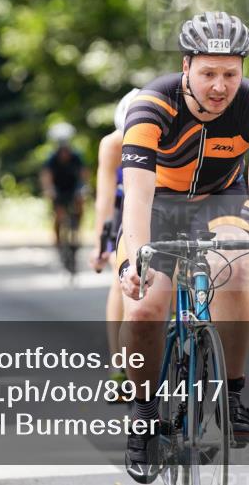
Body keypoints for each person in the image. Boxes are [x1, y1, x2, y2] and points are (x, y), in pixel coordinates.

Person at [117, 11, 249, 483]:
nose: (220, 86)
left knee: (236, 271)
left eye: (231, 74)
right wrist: (134, 260)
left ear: (243, 71)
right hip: (158, 205)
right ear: (186, 66)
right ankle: (144, 415)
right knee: (142, 311)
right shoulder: (152, 105)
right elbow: (136, 194)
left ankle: (233, 393)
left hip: (223, 200)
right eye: (208, 73)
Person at [89, 88, 141, 396]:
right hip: (126, 205)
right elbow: (105, 200)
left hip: (161, 200)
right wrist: (102, 244)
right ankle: (119, 363)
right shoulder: (111, 145)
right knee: (120, 274)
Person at [39, 122, 89, 253]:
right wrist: (49, 189)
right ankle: (57, 240)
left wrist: (83, 187)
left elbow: (83, 174)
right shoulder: (51, 159)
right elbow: (46, 176)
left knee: (80, 204)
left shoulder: (76, 157)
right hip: (58, 189)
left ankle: (77, 229)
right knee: (58, 214)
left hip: (73, 188)